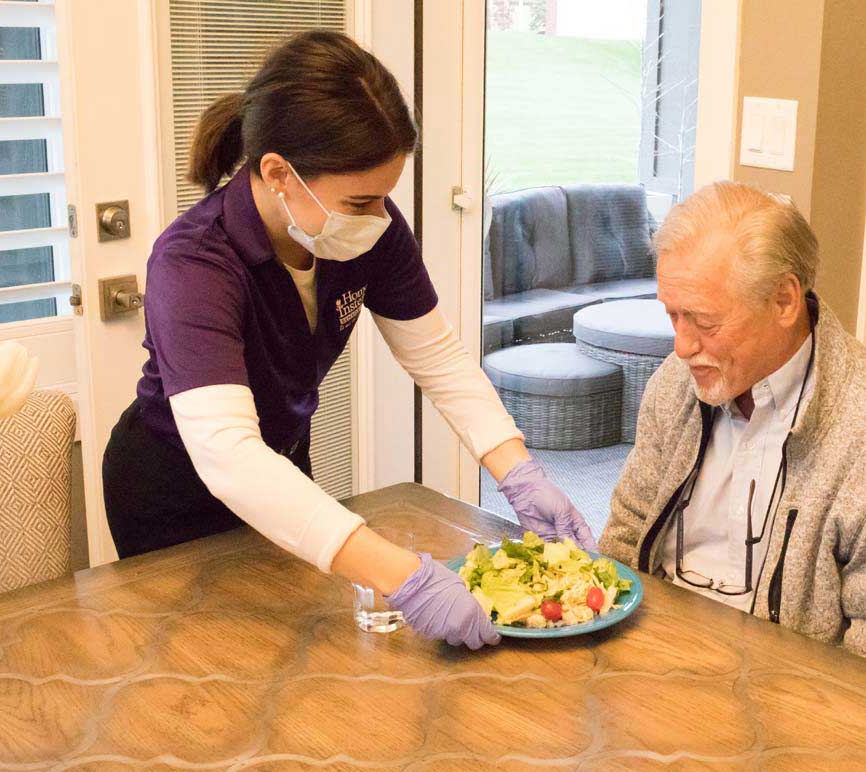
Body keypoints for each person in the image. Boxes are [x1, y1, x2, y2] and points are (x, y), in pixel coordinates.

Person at [102, 31, 593, 651]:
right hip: (172, 493)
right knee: (205, 679)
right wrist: (403, 576)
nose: (379, 215)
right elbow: (227, 452)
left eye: (385, 195)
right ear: (279, 173)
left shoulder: (366, 227)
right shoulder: (194, 262)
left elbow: (436, 356)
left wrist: (518, 471)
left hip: (282, 472)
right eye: (360, 198)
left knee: (294, 667)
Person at [599, 183, 866, 685]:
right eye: (672, 314)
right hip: (652, 674)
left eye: (703, 320)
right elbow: (625, 541)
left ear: (784, 300)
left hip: (792, 708)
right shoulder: (675, 387)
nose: (681, 346)